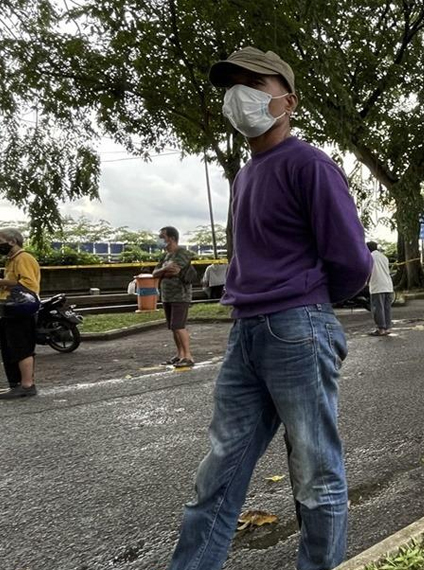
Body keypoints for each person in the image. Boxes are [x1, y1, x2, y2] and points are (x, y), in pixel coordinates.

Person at [168, 47, 372, 570]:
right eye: (232, 87)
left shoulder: (311, 165)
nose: (240, 97)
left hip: (297, 326)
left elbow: (351, 260)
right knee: (220, 469)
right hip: (247, 332)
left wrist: (309, 300)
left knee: (315, 470)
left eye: (254, 84)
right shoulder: (245, 176)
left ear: (288, 101)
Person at [0, 228, 41, 400]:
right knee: (10, 348)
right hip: (10, 310)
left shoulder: (24, 258)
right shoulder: (11, 260)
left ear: (12, 241)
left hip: (20, 310)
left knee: (21, 348)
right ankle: (17, 384)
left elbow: (29, 284)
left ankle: (27, 385)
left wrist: (0, 281)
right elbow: (7, 290)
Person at [153, 226, 195, 367]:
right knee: (173, 327)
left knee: (179, 325)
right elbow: (155, 273)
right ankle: (179, 354)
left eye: (162, 236)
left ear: (171, 238)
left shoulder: (182, 253)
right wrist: (165, 269)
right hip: (167, 295)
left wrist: (163, 271)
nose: (160, 239)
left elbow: (175, 271)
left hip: (180, 295)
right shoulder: (165, 256)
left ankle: (188, 356)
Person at [366, 241, 394, 336]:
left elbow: (368, 271)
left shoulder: (369, 257)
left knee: (378, 308)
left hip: (377, 285)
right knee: (387, 308)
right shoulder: (384, 257)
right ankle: (388, 327)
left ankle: (381, 328)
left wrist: (366, 282)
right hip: (388, 285)